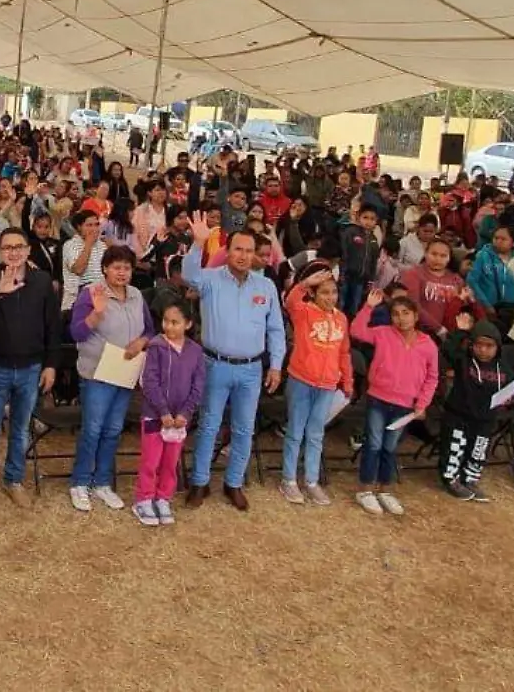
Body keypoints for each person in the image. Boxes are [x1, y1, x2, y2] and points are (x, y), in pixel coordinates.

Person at [180, 213, 287, 512]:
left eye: (248, 251)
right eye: (237, 249)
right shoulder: (210, 280)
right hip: (215, 365)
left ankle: (234, 483)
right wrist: (197, 245)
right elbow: (188, 275)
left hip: (252, 370)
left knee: (244, 428)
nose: (242, 256)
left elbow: (276, 329)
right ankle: (199, 483)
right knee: (209, 426)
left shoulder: (265, 288)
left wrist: (276, 365)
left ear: (255, 255)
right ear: (227, 251)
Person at [0, 226, 61, 507]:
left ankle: (14, 479)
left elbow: (53, 326)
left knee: (21, 429)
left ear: (28, 250)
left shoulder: (42, 281)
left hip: (32, 368)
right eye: (7, 247)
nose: (14, 252)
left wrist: (51, 364)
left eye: (19, 246)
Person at [66, 244, 153, 513]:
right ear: (105, 268)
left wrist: (142, 341)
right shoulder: (90, 293)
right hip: (97, 374)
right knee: (93, 428)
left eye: (127, 267)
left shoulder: (137, 295)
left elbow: (150, 329)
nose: (122, 272)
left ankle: (102, 482)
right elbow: (76, 333)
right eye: (116, 267)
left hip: (124, 373)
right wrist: (97, 313)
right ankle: (80, 482)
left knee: (114, 429)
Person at [348, 290, 440, 515]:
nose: (402, 318)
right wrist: (368, 307)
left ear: (416, 316)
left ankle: (385, 489)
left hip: (405, 405)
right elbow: (356, 331)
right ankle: (365, 489)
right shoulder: (383, 333)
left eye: (406, 313)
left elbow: (432, 377)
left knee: (390, 447)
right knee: (374, 444)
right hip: (379, 398)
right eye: (396, 314)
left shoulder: (428, 345)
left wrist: (422, 404)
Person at [279, 266, 354, 506]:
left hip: (328, 384)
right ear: (313, 294)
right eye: (324, 292)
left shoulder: (341, 318)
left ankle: (311, 480)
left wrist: (347, 381)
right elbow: (290, 301)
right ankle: (288, 480)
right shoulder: (304, 312)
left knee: (315, 434)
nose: (330, 297)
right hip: (301, 380)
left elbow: (344, 352)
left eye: (333, 292)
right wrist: (305, 283)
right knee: (295, 432)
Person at [134, 300, 203, 526]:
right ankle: (144, 499)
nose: (169, 327)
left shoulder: (195, 351)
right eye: (166, 321)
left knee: (170, 460)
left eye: (175, 322)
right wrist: (162, 411)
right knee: (151, 460)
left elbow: (198, 385)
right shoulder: (156, 346)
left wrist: (185, 412)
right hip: (155, 416)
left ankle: (163, 497)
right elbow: (150, 382)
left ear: (188, 324)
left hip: (180, 419)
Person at [439, 315, 508, 502]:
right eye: (479, 345)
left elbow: (511, 385)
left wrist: (506, 399)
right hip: (459, 415)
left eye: (489, 346)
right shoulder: (464, 361)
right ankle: (450, 478)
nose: (483, 350)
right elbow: (448, 350)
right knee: (455, 448)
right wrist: (461, 331)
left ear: (497, 347)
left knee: (478, 450)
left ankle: (470, 479)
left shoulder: (504, 366)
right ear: (471, 345)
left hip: (486, 418)